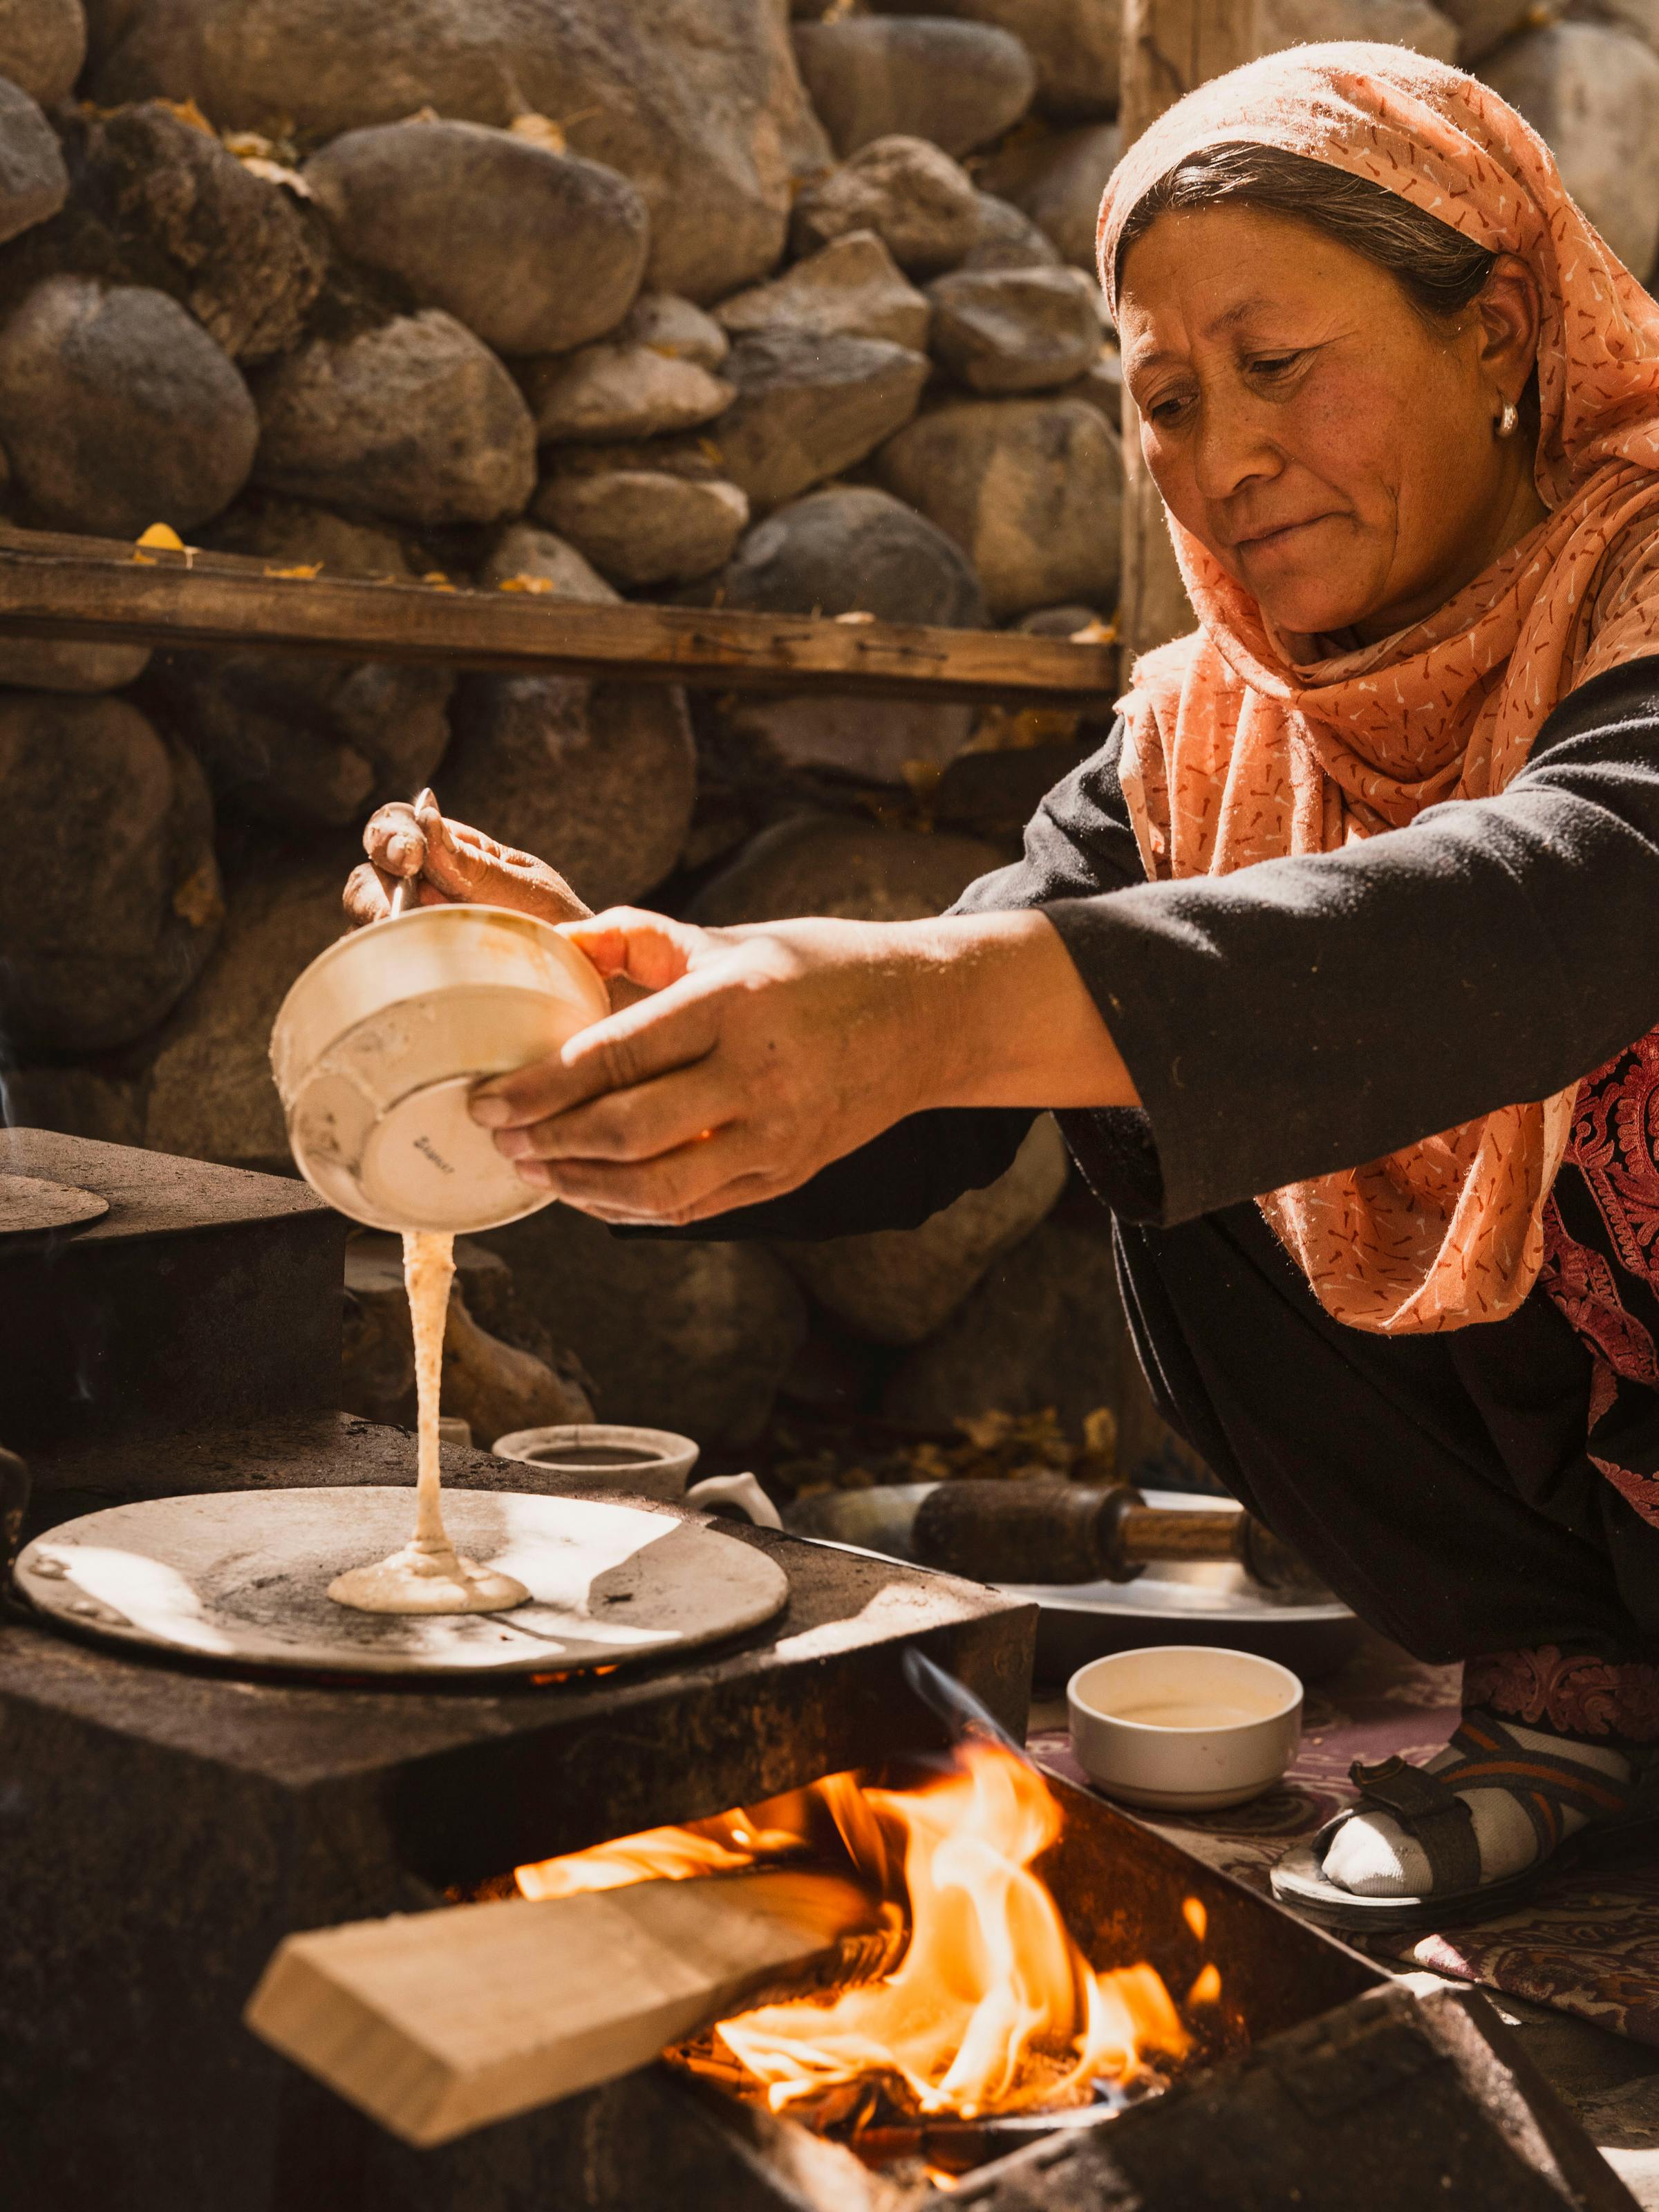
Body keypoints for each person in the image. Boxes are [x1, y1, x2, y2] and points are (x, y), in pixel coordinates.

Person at [346, 45, 1659, 1930]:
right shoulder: (1212, 748)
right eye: (1169, 400)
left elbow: (1574, 902)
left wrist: (932, 997)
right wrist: (596, 1018)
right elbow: (920, 1106)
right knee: (1144, 1062)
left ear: (1499, 331)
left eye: (1278, 367)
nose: (1222, 462)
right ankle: (1576, 1700)